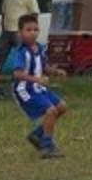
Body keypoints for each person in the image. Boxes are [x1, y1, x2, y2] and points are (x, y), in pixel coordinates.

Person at [11, 13, 68, 160]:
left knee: (61, 107)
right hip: (25, 89)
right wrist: (37, 79)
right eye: (28, 30)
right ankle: (46, 146)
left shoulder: (40, 48)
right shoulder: (21, 52)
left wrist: (55, 71)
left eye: (35, 29)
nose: (32, 33)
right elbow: (17, 74)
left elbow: (43, 67)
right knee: (51, 111)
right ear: (20, 32)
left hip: (38, 88)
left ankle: (37, 135)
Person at [0, 0, 39, 70]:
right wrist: (2, 26)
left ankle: (26, 72)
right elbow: (4, 13)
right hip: (7, 31)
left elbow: (34, 13)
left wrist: (28, 30)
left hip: (19, 31)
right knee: (0, 53)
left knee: (22, 53)